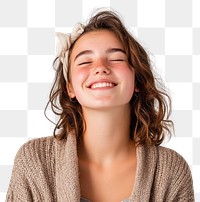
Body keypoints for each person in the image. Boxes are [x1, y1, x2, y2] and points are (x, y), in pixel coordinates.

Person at [6, 9, 194, 202]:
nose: (101, 67)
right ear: (70, 87)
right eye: (85, 61)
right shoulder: (33, 162)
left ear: (136, 80)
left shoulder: (171, 170)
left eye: (116, 59)